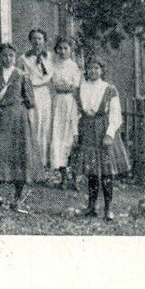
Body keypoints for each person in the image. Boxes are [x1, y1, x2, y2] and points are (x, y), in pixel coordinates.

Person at [71, 56, 131, 220]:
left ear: (102, 70)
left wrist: (110, 134)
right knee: (91, 171)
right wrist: (75, 133)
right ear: (86, 71)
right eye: (90, 68)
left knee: (106, 172)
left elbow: (115, 114)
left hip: (103, 130)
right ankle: (91, 206)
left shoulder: (109, 89)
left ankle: (108, 207)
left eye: (96, 68)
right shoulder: (80, 88)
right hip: (87, 130)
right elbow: (74, 113)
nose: (93, 71)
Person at [0, 42, 35, 211]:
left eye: (11, 56)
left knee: (18, 156)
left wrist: (20, 111)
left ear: (15, 57)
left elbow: (30, 100)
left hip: (17, 120)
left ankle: (17, 197)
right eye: (4, 56)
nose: (8, 59)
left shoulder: (22, 75)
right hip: (0, 119)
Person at [48, 36, 84, 188]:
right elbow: (54, 83)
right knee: (58, 137)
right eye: (60, 48)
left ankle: (73, 178)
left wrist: (66, 87)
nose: (63, 51)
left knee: (71, 137)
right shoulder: (53, 66)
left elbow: (74, 86)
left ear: (70, 50)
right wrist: (62, 87)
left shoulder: (75, 67)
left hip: (70, 102)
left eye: (66, 48)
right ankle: (63, 177)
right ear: (57, 50)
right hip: (57, 102)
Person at [21, 28, 54, 178]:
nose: (37, 41)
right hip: (31, 92)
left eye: (40, 39)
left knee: (44, 125)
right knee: (33, 124)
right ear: (30, 41)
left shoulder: (50, 57)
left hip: (44, 93)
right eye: (34, 38)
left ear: (44, 41)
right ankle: (32, 163)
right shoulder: (24, 59)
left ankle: (43, 163)